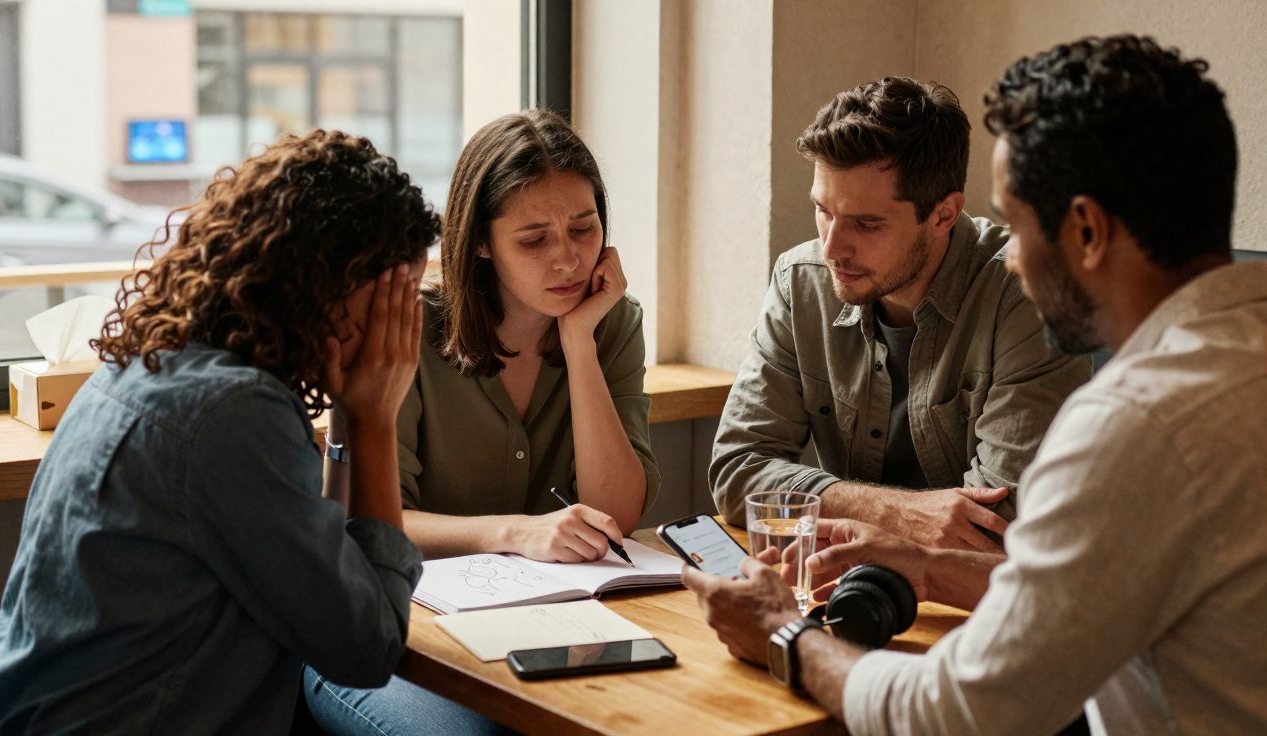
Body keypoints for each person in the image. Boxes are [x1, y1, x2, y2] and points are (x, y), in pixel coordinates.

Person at [684, 34, 1267, 734]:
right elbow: (1078, 587)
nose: (1014, 258)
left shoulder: (1133, 425)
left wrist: (787, 636)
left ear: (1085, 230)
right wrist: (927, 566)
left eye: (1018, 226)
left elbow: (961, 713)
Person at [0, 130, 438, 733]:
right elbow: (365, 650)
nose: (397, 328)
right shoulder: (235, 414)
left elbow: (325, 577)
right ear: (322, 283)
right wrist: (376, 420)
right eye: (392, 300)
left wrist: (349, 414)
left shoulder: (147, 364)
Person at [305, 109, 660, 734]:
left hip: (541, 623)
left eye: (584, 228)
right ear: (479, 242)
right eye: (534, 240)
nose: (568, 261)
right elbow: (373, 525)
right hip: (394, 634)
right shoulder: (406, 325)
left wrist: (579, 340)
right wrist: (516, 532)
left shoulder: (612, 322)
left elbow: (616, 512)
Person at [710, 77, 1091, 551]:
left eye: (866, 223)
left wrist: (827, 507)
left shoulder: (1026, 291)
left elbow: (1001, 520)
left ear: (943, 215)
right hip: (850, 582)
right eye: (823, 211)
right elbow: (738, 469)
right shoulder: (800, 281)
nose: (832, 248)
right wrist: (899, 513)